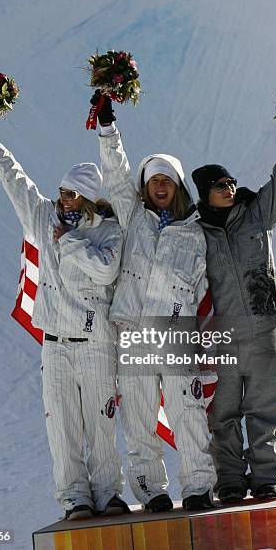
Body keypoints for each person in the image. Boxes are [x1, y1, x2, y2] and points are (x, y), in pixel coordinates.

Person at [0, 121, 129, 520]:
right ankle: (74, 497)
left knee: (101, 421)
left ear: (88, 198)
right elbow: (20, 186)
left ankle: (108, 493)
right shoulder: (44, 217)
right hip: (55, 343)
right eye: (63, 191)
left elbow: (106, 271)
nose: (63, 199)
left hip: (97, 342)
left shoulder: (108, 230)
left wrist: (71, 244)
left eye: (72, 193)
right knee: (62, 425)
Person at [191, 120, 276, 503]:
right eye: (221, 185)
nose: (230, 189)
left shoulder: (256, 216)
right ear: (205, 192)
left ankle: (268, 478)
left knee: (267, 409)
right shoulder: (194, 233)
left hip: (267, 328)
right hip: (222, 338)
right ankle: (231, 481)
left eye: (231, 182)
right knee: (223, 416)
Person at [91, 92, 216, 512]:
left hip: (176, 333)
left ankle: (199, 486)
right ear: (145, 188)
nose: (160, 187)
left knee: (188, 411)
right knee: (139, 418)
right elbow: (115, 173)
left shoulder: (197, 231)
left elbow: (204, 286)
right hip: (135, 331)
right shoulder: (134, 218)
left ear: (178, 187)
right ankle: (152, 490)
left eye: (167, 181)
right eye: (153, 181)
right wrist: (108, 127)